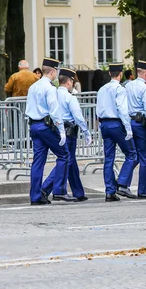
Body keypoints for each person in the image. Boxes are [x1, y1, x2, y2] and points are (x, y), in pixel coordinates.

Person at [41, 68, 92, 202]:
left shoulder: (53, 93)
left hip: (56, 129)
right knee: (66, 161)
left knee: (71, 162)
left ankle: (78, 191)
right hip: (69, 132)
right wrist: (86, 132)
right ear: (69, 82)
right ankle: (46, 188)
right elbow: (78, 117)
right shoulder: (70, 97)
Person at [25, 58, 68, 205]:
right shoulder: (50, 88)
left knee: (38, 162)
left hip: (34, 125)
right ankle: (48, 188)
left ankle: (36, 196)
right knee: (64, 156)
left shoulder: (33, 87)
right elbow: (55, 111)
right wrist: (61, 130)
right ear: (53, 71)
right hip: (46, 126)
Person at [96, 63, 138, 202]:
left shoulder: (102, 89)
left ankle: (110, 191)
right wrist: (128, 128)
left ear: (109, 74)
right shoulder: (120, 89)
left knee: (109, 159)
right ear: (120, 74)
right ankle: (122, 183)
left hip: (104, 123)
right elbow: (122, 110)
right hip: (116, 123)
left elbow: (98, 109)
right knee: (131, 154)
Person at [126, 60, 146, 199]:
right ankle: (142, 189)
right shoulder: (145, 89)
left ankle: (123, 182)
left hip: (130, 122)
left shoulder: (128, 86)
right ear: (145, 73)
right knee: (144, 157)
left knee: (134, 155)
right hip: (141, 124)